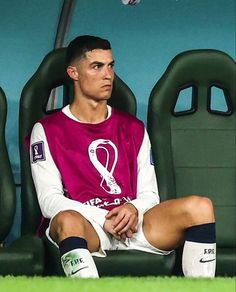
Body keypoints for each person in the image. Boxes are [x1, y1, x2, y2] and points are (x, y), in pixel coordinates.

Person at [29, 35, 216, 278]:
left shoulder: (133, 127)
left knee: (200, 207)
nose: (108, 75)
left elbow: (150, 194)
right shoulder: (47, 130)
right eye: (97, 66)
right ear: (73, 73)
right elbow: (49, 201)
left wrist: (132, 208)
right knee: (66, 220)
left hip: (134, 223)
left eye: (111, 65)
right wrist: (104, 218)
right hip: (88, 226)